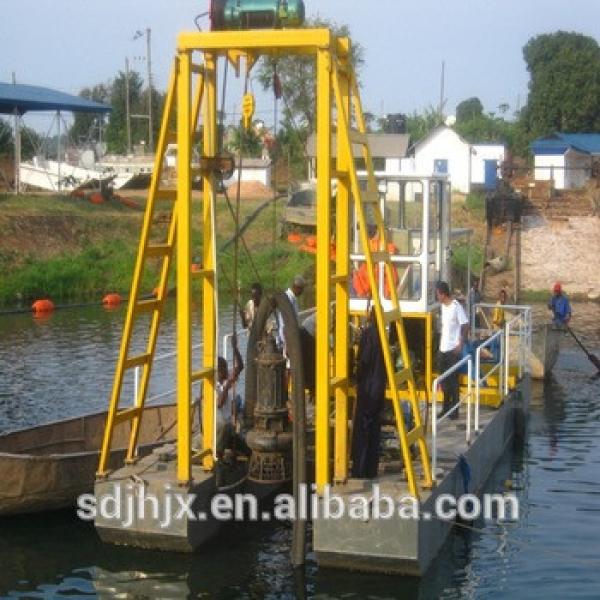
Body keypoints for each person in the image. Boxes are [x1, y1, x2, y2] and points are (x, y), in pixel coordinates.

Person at [351, 307, 387, 478]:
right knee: (375, 429)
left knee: (362, 428)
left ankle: (359, 470)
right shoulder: (384, 335)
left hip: (368, 388)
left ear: (370, 316)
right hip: (379, 386)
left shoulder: (369, 334)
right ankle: (371, 470)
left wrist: (356, 377)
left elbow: (363, 360)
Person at [436, 281, 469, 420]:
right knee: (443, 380)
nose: (437, 297)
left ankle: (454, 410)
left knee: (453, 381)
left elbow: (465, 324)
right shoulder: (442, 307)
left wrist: (460, 343)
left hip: (452, 350)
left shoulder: (456, 307)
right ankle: (445, 407)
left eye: (438, 294)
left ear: (443, 294)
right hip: (442, 349)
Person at [216, 333, 244, 457]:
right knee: (226, 426)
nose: (227, 371)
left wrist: (235, 348)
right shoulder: (212, 386)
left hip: (228, 428)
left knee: (247, 450)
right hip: (218, 428)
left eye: (227, 367)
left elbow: (240, 366)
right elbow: (219, 403)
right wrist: (227, 387)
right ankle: (219, 455)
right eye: (223, 369)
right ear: (217, 370)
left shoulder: (226, 380)